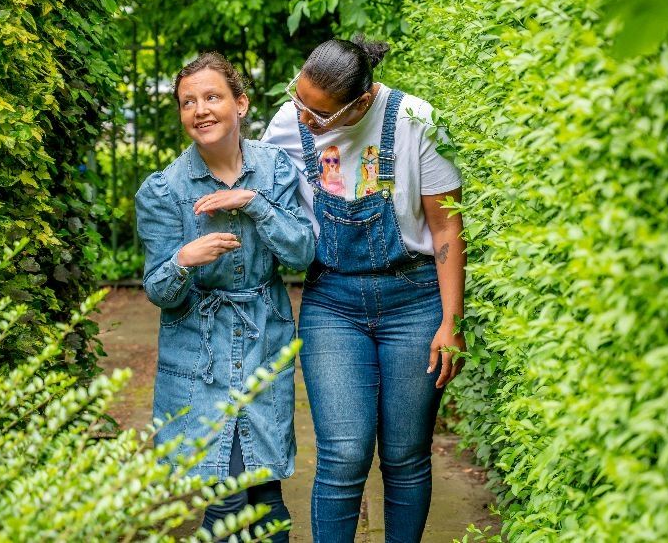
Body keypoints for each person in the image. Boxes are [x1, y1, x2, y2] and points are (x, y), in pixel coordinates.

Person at [262, 36, 467, 542]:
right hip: (332, 302)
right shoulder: (288, 124)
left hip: (414, 301)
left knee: (405, 453)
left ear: (363, 99)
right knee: (343, 452)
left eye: (320, 114)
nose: (305, 117)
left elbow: (445, 227)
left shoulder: (416, 120)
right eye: (299, 100)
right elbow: (255, 192)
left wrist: (451, 322)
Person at [135, 52, 315, 541]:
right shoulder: (162, 191)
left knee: (264, 490)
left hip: (264, 340)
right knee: (228, 493)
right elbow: (160, 292)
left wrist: (254, 204)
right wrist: (183, 260)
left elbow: (302, 252)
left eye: (212, 97)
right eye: (187, 102)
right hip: (199, 351)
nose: (200, 110)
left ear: (241, 103)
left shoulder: (275, 169)